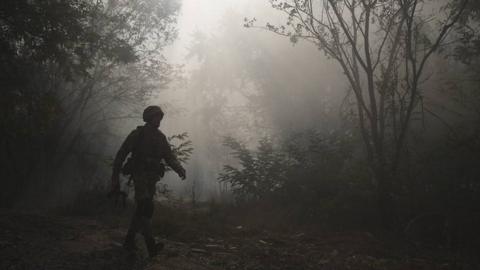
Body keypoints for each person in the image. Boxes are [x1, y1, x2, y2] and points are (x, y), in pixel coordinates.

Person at [110, 105, 186, 257]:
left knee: (143, 211)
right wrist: (115, 177)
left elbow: (169, 156)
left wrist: (179, 169)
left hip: (152, 179)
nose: (158, 119)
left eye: (159, 117)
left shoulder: (160, 137)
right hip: (139, 175)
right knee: (145, 207)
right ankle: (151, 246)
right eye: (155, 116)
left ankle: (129, 241)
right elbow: (121, 153)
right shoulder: (137, 134)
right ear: (149, 118)